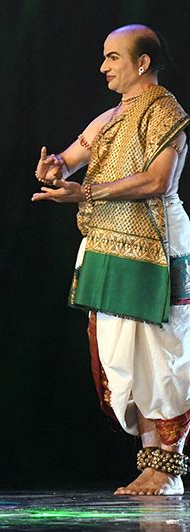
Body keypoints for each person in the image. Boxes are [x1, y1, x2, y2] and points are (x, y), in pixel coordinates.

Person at [34, 25, 190, 496]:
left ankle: (168, 466)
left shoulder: (165, 111)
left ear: (142, 63)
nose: (103, 66)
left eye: (112, 57)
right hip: (105, 242)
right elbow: (71, 156)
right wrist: (55, 167)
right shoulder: (111, 118)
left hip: (154, 244)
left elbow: (158, 180)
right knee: (121, 357)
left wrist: (90, 192)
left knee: (161, 354)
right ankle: (148, 464)